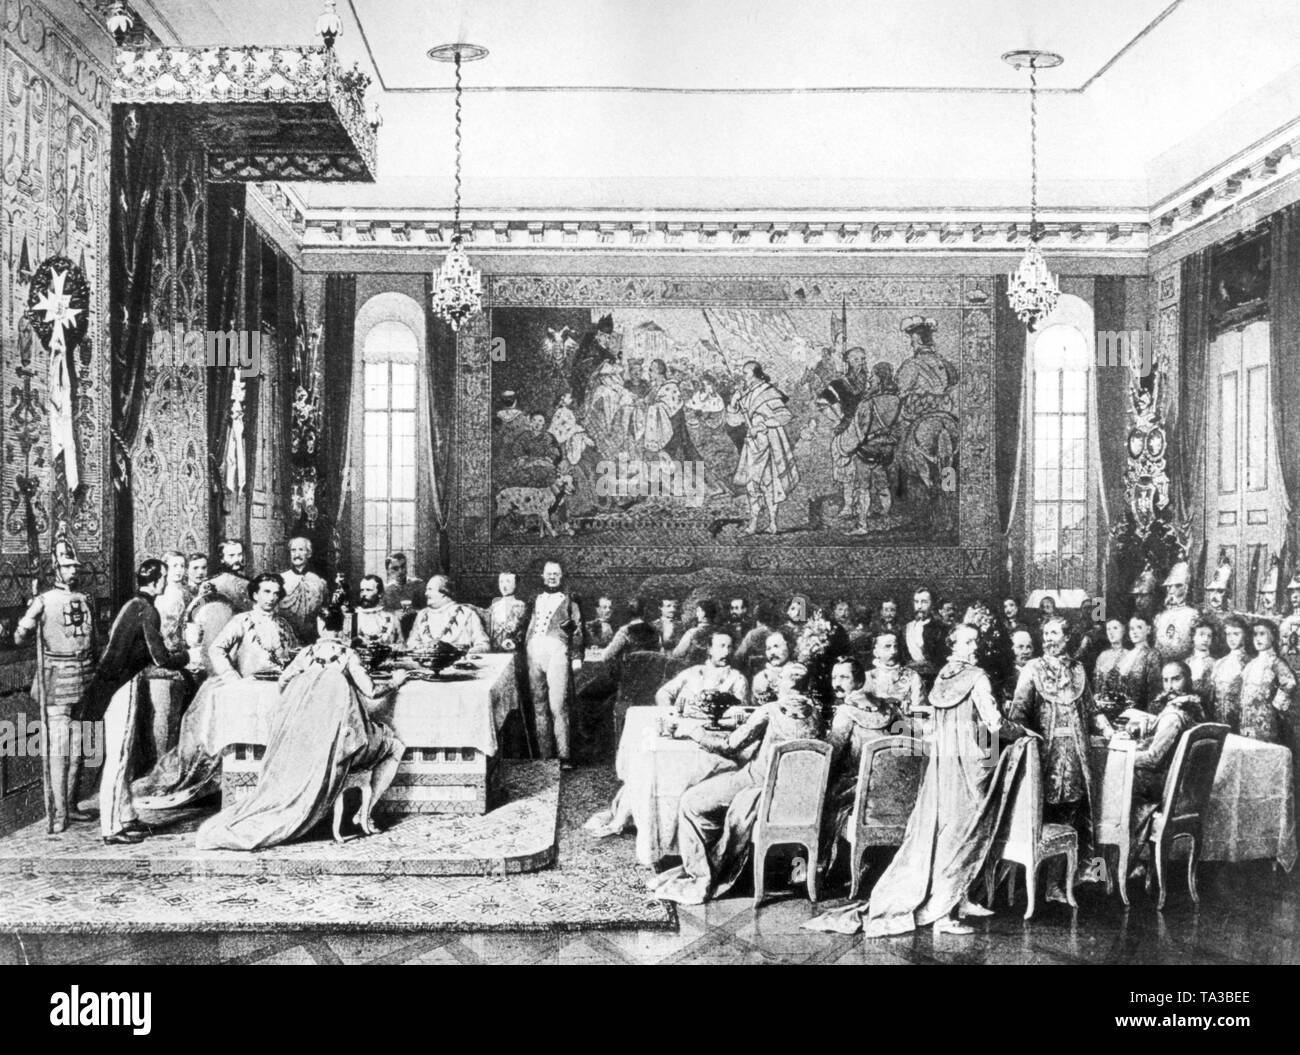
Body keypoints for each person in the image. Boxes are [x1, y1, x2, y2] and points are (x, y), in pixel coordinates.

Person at [805, 623, 1025, 937]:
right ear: (954, 647)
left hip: (943, 763)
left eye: (976, 641)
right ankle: (943, 914)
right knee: (961, 833)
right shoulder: (977, 678)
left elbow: (935, 726)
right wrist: (1023, 731)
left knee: (945, 831)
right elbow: (994, 723)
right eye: (969, 642)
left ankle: (958, 899)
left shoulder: (943, 676)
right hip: (969, 764)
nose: (975, 646)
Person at [195, 607, 408, 851]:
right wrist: (396, 681)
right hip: (342, 746)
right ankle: (363, 814)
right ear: (343, 627)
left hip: (310, 743)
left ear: (320, 625)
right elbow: (371, 691)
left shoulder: (306, 655)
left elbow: (284, 682)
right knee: (395, 746)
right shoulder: (348, 655)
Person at [648, 662, 823, 904]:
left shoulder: (770, 710)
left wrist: (692, 731)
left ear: (782, 682)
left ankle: (702, 876)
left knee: (691, 802)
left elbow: (730, 746)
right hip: (797, 795)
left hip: (757, 784)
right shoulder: (817, 715)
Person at [133, 574, 299, 810]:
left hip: (277, 692)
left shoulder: (283, 625)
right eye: (266, 592)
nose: (271, 598)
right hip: (247, 692)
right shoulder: (242, 620)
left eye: (275, 593)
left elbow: (292, 654)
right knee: (244, 745)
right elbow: (216, 649)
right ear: (254, 594)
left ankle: (275, 796)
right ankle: (241, 799)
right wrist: (233, 679)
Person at [1006, 616, 1113, 900]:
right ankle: (1034, 884)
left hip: (1077, 755)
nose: (1049, 639)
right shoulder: (1032, 668)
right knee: (1044, 813)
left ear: (1067, 638)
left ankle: (1061, 882)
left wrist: (1108, 729)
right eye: (1045, 634)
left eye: (1055, 633)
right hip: (1044, 756)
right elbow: (1017, 714)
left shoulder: (1079, 670)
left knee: (1073, 812)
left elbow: (1091, 710)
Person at [86, 559, 189, 843]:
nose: (166, 582)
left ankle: (127, 816)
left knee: (125, 756)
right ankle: (110, 828)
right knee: (118, 758)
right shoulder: (146, 609)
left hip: (116, 684)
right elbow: (161, 658)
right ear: (158, 581)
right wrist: (187, 656)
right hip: (120, 686)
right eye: (165, 578)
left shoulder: (132, 605)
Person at [13, 531, 97, 832]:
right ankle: (59, 811)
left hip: (84, 676)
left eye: (75, 565)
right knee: (59, 747)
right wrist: (27, 622)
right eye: (67, 565)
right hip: (57, 678)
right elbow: (19, 636)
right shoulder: (43, 600)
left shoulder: (85, 599)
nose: (73, 570)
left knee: (78, 747)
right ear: (55, 569)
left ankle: (71, 805)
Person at [823, 645, 920, 861]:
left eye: (843, 678)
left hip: (860, 790)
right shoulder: (890, 709)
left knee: (823, 795)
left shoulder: (846, 713)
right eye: (834, 677)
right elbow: (910, 744)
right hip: (896, 792)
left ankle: (828, 865)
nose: (837, 683)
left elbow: (830, 755)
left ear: (858, 681)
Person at [1126, 661, 1205, 880]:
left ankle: (1113, 869)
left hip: (1165, 788)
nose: (1169, 686)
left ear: (1187, 680)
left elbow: (1153, 759)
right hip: (1177, 785)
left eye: (1176, 679)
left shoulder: (1174, 716)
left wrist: (1122, 757)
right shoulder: (1191, 709)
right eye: (1165, 680)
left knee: (1108, 792)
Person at [725, 360, 799, 535]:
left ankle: (773, 523)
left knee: (770, 483)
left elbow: (785, 415)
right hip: (753, 443)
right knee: (752, 484)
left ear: (756, 374)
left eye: (746, 373)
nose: (743, 377)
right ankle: (753, 524)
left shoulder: (769, 392)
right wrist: (734, 404)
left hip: (770, 443)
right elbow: (734, 422)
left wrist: (762, 425)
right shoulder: (746, 394)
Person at [525, 560, 584, 765]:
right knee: (538, 706)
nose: (552, 577)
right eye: (548, 574)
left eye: (556, 574)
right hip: (533, 652)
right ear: (542, 576)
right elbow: (529, 627)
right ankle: (545, 756)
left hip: (557, 651)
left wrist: (576, 656)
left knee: (558, 706)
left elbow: (576, 631)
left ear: (561, 576)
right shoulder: (536, 600)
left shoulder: (569, 602)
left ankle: (564, 755)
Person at [655, 631, 749, 720]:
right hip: (685, 724)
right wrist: (670, 715)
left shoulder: (737, 678)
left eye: (729, 647)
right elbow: (663, 693)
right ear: (710, 649)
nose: (726, 652)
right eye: (721, 646)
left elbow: (740, 709)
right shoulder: (693, 672)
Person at [1239, 619, 1297, 743]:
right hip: (1248, 719)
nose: (1257, 638)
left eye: (1262, 634)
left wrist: (1275, 707)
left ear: (1272, 637)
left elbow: (1289, 682)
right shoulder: (1251, 664)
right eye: (1255, 634)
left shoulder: (1275, 662)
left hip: (1267, 720)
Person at [407, 575, 490, 654]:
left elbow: (483, 644)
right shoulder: (422, 615)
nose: (426, 593)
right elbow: (412, 642)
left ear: (444, 592)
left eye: (430, 589)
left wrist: (465, 653)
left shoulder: (466, 613)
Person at [278, 536, 329, 644]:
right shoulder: (281, 579)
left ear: (309, 553)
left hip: (312, 637)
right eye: (293, 550)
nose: (297, 554)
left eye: (301, 550)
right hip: (286, 636)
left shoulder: (318, 581)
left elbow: (323, 611)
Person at [1209, 615, 1251, 729]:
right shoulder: (1219, 663)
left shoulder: (1249, 663)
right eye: (1228, 634)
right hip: (1218, 717)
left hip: (1240, 719)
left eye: (1236, 634)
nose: (1231, 639)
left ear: (1245, 635)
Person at [1114, 614, 1162, 713]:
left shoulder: (1153, 655)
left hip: (1140, 712)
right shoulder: (1126, 654)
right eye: (1131, 629)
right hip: (1119, 710)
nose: (1134, 632)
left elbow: (1154, 692)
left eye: (1139, 627)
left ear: (1148, 630)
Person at [1153, 561, 1198, 662]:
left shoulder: (1193, 614)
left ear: (1186, 588)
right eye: (1169, 586)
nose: (1172, 591)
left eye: (1177, 586)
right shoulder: (1160, 617)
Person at [903, 586, 948, 684]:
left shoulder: (941, 628)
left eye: (924, 602)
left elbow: (942, 659)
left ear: (933, 604)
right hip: (911, 678)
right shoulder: (907, 628)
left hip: (935, 679)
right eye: (916, 602)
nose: (919, 606)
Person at [354, 575, 403, 645]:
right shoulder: (353, 617)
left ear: (380, 593)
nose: (363, 594)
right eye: (362, 590)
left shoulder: (391, 618)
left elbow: (401, 645)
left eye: (368, 590)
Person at [487, 571, 528, 651]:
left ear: (516, 584)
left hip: (514, 649)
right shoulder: (494, 606)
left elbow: (524, 630)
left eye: (508, 582)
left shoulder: (521, 606)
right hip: (495, 650)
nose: (504, 586)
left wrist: (514, 641)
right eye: (501, 582)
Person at [208, 539, 252, 612]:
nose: (237, 559)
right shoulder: (211, 583)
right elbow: (198, 607)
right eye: (231, 555)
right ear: (222, 559)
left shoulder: (247, 582)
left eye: (239, 554)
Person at [750, 632, 791, 706]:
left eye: (776, 646)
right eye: (768, 648)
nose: (772, 653)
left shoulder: (797, 672)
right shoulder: (760, 677)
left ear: (788, 647)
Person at [1185, 619, 1217, 708]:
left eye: (1209, 636)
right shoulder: (1187, 662)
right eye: (1201, 635)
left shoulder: (1216, 664)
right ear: (1193, 637)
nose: (1205, 639)